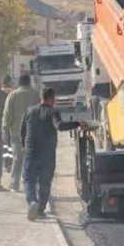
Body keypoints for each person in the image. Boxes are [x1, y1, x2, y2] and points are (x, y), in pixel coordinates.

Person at [20, 86, 83, 221]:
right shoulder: (53, 112)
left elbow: (22, 131)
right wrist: (77, 123)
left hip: (30, 151)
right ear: (52, 99)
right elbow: (59, 126)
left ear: (40, 98)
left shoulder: (29, 111)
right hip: (47, 155)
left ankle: (32, 202)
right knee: (45, 182)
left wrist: (23, 146)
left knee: (28, 179)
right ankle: (41, 210)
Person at [2, 73, 37, 192]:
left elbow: (7, 114)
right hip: (33, 132)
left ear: (19, 83)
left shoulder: (13, 95)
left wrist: (5, 129)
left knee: (17, 158)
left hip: (16, 133)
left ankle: (14, 184)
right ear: (29, 82)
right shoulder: (36, 94)